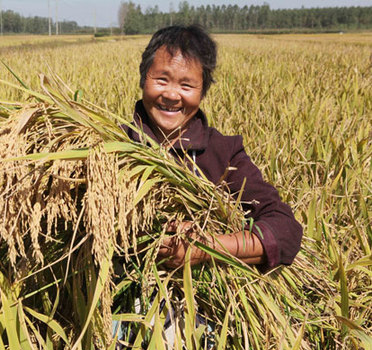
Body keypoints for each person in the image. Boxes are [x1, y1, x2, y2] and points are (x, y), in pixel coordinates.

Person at [122, 25, 302, 270]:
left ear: (202, 92)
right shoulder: (115, 146)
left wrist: (206, 248)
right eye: (162, 80)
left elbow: (285, 230)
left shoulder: (222, 153)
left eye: (187, 86)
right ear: (144, 79)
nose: (173, 95)